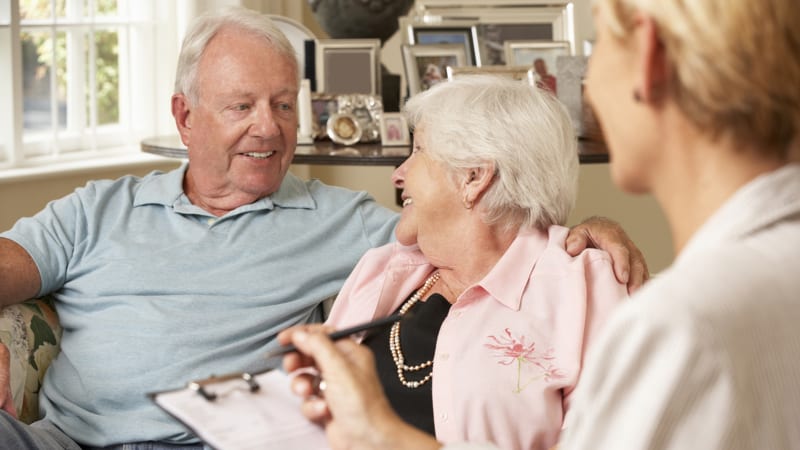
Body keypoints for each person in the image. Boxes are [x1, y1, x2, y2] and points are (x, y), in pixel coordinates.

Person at [0, 6, 647, 450]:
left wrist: (584, 228)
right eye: (241, 106)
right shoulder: (97, 210)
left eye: (285, 105)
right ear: (184, 116)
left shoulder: (347, 226)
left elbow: (491, 236)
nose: (270, 126)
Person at [282, 0, 800, 448]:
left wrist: (385, 439)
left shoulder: (671, 320)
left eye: (599, 49)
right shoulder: (386, 266)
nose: (586, 83)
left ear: (649, 58)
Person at [284, 75, 627, 449]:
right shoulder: (382, 269)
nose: (398, 175)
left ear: (473, 177)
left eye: (417, 151)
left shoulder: (583, 287)